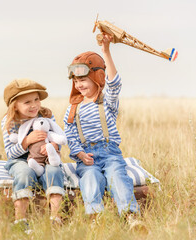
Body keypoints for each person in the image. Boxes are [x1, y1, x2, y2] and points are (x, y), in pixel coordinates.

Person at [63, 34, 140, 222]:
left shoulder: (107, 101)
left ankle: (130, 217)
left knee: (117, 176)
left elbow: (115, 84)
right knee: (89, 179)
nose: (79, 85)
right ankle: (96, 218)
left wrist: (106, 50)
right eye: (76, 81)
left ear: (98, 77)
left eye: (83, 80)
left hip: (110, 153)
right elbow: (70, 135)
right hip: (86, 157)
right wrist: (79, 154)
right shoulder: (73, 108)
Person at [2, 78, 64, 233]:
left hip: (44, 158)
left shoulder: (46, 116)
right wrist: (26, 142)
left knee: (54, 171)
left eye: (36, 99)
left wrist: (55, 145)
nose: (34, 105)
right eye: (27, 102)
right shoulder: (10, 122)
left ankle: (56, 219)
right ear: (14, 105)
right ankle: (20, 220)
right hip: (20, 160)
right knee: (24, 173)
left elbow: (57, 137)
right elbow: (10, 153)